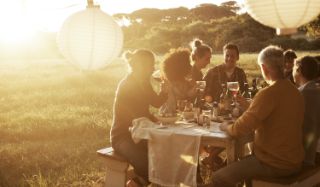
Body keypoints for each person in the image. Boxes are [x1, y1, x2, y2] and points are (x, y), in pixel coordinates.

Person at [212, 45, 305, 187]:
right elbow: (274, 115)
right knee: (245, 162)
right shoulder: (295, 92)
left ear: (264, 68)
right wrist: (247, 106)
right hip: (294, 161)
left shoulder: (268, 93)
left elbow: (240, 128)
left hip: (273, 164)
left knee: (218, 178)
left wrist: (226, 126)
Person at [110, 49, 167, 187]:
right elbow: (135, 115)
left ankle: (136, 183)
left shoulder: (143, 82)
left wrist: (164, 90)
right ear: (141, 65)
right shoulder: (127, 85)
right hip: (123, 136)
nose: (153, 68)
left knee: (165, 155)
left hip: (140, 132)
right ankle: (136, 183)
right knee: (147, 163)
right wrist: (155, 121)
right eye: (151, 65)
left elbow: (156, 102)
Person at [292, 56, 320, 166]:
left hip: (313, 154)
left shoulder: (300, 95)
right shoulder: (316, 89)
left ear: (298, 70)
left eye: (294, 68)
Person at [159, 48, 197, 115]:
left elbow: (186, 101)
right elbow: (171, 107)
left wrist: (193, 90)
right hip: (168, 117)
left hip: (180, 117)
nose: (191, 66)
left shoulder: (185, 82)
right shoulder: (168, 84)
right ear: (181, 67)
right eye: (188, 63)